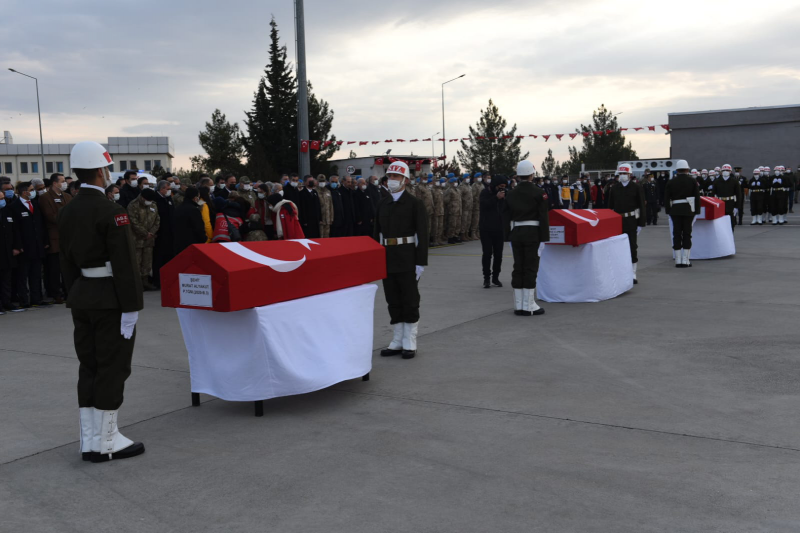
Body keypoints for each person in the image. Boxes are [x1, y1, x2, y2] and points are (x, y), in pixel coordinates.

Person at [57, 141, 144, 463]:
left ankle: (90, 440)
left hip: (82, 296)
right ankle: (108, 441)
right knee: (113, 366)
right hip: (110, 300)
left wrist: (75, 292)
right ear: (99, 171)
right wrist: (132, 306)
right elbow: (125, 265)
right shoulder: (112, 211)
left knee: (89, 365)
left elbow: (65, 262)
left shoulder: (66, 210)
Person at [373, 161, 428, 359]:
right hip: (387, 256)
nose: (392, 180)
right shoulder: (382, 203)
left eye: (396, 177)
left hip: (407, 256)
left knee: (410, 299)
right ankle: (396, 340)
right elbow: (376, 234)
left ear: (405, 179)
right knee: (393, 299)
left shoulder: (415, 204)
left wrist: (420, 262)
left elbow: (422, 233)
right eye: (390, 177)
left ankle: (409, 341)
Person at [502, 160, 549, 316]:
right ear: (531, 174)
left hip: (516, 233)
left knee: (518, 267)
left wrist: (507, 236)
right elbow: (543, 217)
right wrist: (544, 238)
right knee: (530, 267)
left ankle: (519, 304)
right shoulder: (538, 192)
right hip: (532, 234)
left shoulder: (511, 193)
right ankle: (528, 305)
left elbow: (505, 217)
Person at [10, 181, 47, 308]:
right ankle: (24, 300)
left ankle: (36, 299)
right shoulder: (14, 206)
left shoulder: (35, 204)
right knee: (23, 276)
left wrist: (44, 242)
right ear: (24, 192)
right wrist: (18, 245)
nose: (33, 192)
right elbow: (15, 229)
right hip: (24, 248)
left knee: (36, 275)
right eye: (31, 190)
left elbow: (41, 225)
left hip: (37, 246)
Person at [608, 163, 646, 284]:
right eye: (621, 174)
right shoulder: (614, 188)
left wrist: (641, 223)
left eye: (625, 173)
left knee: (632, 246)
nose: (623, 175)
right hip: (618, 220)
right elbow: (610, 207)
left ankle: (633, 272)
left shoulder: (636, 187)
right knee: (618, 247)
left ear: (630, 174)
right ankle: (620, 271)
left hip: (631, 220)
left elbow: (641, 206)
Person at [39, 173, 72, 304]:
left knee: (67, 268)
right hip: (54, 239)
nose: (64, 184)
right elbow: (51, 216)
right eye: (62, 181)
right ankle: (55, 293)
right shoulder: (45, 198)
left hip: (67, 238)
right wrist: (67, 218)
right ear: (54, 183)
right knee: (54, 269)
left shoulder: (68, 196)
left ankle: (67, 291)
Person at [664, 160, 701, 268]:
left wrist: (668, 211)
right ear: (687, 169)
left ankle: (678, 260)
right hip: (688, 210)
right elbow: (697, 197)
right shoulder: (692, 181)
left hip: (675, 210)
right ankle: (685, 260)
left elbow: (666, 198)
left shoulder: (671, 182)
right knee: (687, 234)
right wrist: (696, 211)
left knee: (676, 234)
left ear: (677, 170)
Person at [127, 188, 160, 290]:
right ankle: (136, 284)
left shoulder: (153, 205)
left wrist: (152, 233)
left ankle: (145, 282)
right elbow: (133, 222)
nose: (148, 202)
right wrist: (145, 233)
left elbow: (157, 220)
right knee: (136, 262)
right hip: (137, 240)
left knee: (147, 262)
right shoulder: (133, 205)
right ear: (142, 197)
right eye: (147, 200)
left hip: (149, 240)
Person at [480, 175, 508, 289]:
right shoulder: (485, 192)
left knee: (498, 255)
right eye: (501, 186)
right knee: (487, 254)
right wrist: (496, 198)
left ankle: (495, 277)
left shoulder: (505, 194)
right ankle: (486, 277)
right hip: (486, 228)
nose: (502, 189)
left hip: (499, 228)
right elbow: (484, 205)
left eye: (504, 187)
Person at [0, 177, 20, 313]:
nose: (2, 200)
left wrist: (16, 246)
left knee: (6, 279)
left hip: (7, 251)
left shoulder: (7, 210)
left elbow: (14, 230)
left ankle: (7, 302)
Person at [173, 187, 207, 255]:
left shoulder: (178, 208)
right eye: (198, 196)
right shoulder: (194, 210)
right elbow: (199, 228)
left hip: (178, 243)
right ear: (195, 197)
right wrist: (204, 238)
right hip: (192, 243)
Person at [711, 164, 743, 232]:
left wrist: (736, 207)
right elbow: (713, 194)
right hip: (720, 204)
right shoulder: (717, 181)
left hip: (730, 203)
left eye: (727, 170)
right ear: (721, 171)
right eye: (724, 170)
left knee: (731, 223)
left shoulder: (734, 181)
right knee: (720, 222)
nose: (725, 171)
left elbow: (738, 194)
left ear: (730, 171)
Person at [444, 174, 462, 244]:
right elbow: (446, 200)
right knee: (452, 225)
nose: (456, 183)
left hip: (458, 209)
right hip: (453, 210)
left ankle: (455, 236)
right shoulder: (449, 190)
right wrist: (451, 205)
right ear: (451, 182)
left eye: (456, 181)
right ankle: (450, 237)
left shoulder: (457, 190)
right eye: (454, 181)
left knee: (458, 224)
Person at [431, 176, 445, 246]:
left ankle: (439, 239)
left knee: (440, 225)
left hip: (441, 210)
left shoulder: (440, 190)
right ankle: (435, 240)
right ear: (433, 182)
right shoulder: (432, 190)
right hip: (436, 211)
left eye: (438, 181)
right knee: (435, 226)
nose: (438, 182)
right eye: (436, 181)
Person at [459, 173, 473, 241]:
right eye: (467, 177)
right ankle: (462, 234)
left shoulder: (469, 186)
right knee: (464, 221)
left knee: (468, 221)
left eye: (469, 177)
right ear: (464, 178)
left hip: (469, 206)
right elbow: (460, 197)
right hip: (464, 207)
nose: (468, 178)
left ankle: (467, 234)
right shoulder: (461, 186)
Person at [470, 172, 482, 239]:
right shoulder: (474, 185)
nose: (480, 178)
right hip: (476, 205)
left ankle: (478, 232)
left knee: (479, 220)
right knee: (475, 220)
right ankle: (473, 233)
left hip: (481, 205)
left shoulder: (481, 185)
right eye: (479, 177)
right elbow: (473, 196)